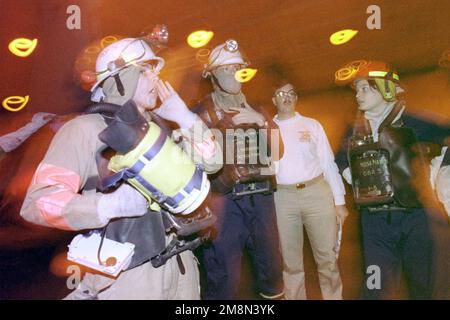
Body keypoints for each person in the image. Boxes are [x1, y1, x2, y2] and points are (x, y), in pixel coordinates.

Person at [20, 36, 221, 299]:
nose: (156, 78)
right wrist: (108, 206)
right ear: (120, 77)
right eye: (146, 70)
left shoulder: (161, 129)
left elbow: (213, 162)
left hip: (181, 265)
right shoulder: (85, 130)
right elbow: (38, 202)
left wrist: (185, 118)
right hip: (129, 276)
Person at [335, 60, 450, 299]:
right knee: (375, 289)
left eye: (365, 88)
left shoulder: (415, 123)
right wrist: (353, 177)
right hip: (374, 223)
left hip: (415, 220)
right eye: (356, 89)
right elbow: (341, 160)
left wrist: (440, 176)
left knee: (421, 286)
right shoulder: (354, 130)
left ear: (386, 89)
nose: (358, 94)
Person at [192, 39, 284, 300]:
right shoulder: (200, 115)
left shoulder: (257, 108)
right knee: (223, 277)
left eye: (237, 68)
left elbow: (278, 152)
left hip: (262, 200)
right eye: (227, 69)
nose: (235, 75)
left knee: (272, 271)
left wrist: (261, 123)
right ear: (212, 75)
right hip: (225, 204)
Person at [271, 81, 348, 300]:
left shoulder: (312, 125)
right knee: (290, 262)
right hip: (282, 198)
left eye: (291, 93)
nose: (286, 97)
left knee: (327, 259)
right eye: (281, 93)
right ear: (274, 100)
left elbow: (328, 162)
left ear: (296, 98)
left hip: (317, 193)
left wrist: (339, 202)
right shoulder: (267, 129)